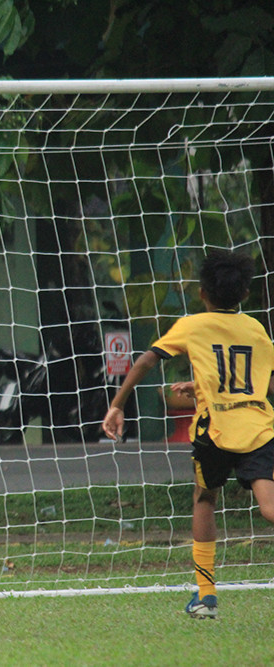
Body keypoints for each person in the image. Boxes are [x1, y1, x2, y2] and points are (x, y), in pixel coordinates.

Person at [101, 249, 274, 620]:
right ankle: (205, 595)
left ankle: (206, 596)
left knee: (205, 498)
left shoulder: (192, 324)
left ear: (202, 293)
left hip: (215, 429)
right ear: (245, 294)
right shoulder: (257, 329)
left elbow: (148, 359)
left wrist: (117, 404)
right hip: (258, 428)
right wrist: (204, 385)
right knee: (269, 506)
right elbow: (257, 382)